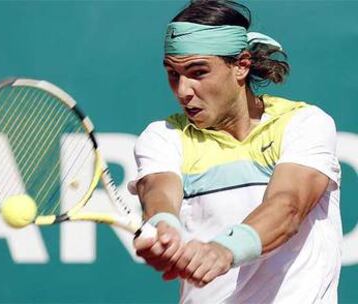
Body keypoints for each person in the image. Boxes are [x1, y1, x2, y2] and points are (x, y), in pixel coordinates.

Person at [129, 0, 342, 303]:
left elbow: (288, 207)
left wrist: (223, 250)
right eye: (173, 74)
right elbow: (159, 193)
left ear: (241, 65)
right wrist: (165, 226)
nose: (182, 90)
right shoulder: (164, 137)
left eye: (198, 72)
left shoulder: (304, 123)